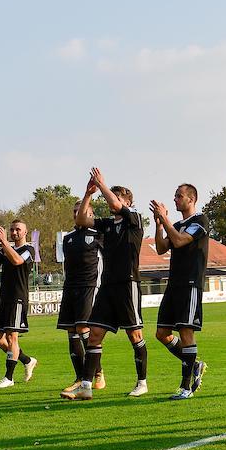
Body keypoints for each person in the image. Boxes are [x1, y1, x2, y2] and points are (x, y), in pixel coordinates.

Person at [77, 168, 149, 400]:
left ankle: (142, 382)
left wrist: (102, 183)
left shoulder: (134, 220)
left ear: (128, 202)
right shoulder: (107, 224)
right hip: (107, 286)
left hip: (128, 284)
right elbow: (81, 221)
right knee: (95, 334)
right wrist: (89, 194)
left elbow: (118, 206)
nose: (112, 201)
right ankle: (86, 385)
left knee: (135, 335)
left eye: (118, 197)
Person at [152, 184, 209, 400]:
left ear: (191, 199)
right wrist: (159, 224)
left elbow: (178, 240)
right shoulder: (175, 224)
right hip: (174, 285)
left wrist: (164, 218)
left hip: (190, 283)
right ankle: (195, 364)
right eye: (175, 196)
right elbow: (161, 248)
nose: (175, 199)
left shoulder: (200, 221)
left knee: (186, 332)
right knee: (162, 333)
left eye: (179, 196)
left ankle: (186, 387)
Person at [56, 187, 101, 400]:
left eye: (81, 211)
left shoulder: (98, 234)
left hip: (89, 286)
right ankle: (79, 377)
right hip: (70, 287)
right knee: (70, 331)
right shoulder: (68, 238)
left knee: (84, 328)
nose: (78, 214)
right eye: (75, 212)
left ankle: (94, 374)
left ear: (90, 214)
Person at [0, 220, 38, 389]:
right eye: (12, 230)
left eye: (17, 230)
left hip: (18, 298)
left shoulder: (29, 249)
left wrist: (5, 242)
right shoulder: (5, 251)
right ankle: (27, 360)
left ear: (25, 232)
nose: (14, 232)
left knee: (12, 336)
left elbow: (18, 261)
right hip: (4, 298)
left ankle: (9, 377)